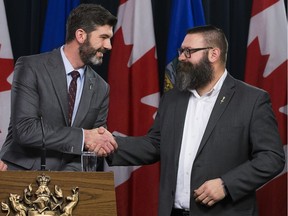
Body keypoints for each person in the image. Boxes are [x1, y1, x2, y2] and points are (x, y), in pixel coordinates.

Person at [106, 25, 285, 216]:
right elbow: (156, 144)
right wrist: (108, 144)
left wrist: (226, 184)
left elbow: (272, 158)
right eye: (181, 51)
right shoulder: (173, 98)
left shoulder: (252, 99)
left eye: (188, 51)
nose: (181, 57)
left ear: (214, 54)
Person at [0, 4, 118, 171]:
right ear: (81, 35)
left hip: (69, 187)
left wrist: (63, 184)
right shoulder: (31, 67)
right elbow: (25, 130)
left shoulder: (101, 87)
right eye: (103, 37)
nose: (109, 46)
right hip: (21, 180)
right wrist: (83, 137)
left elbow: (94, 146)